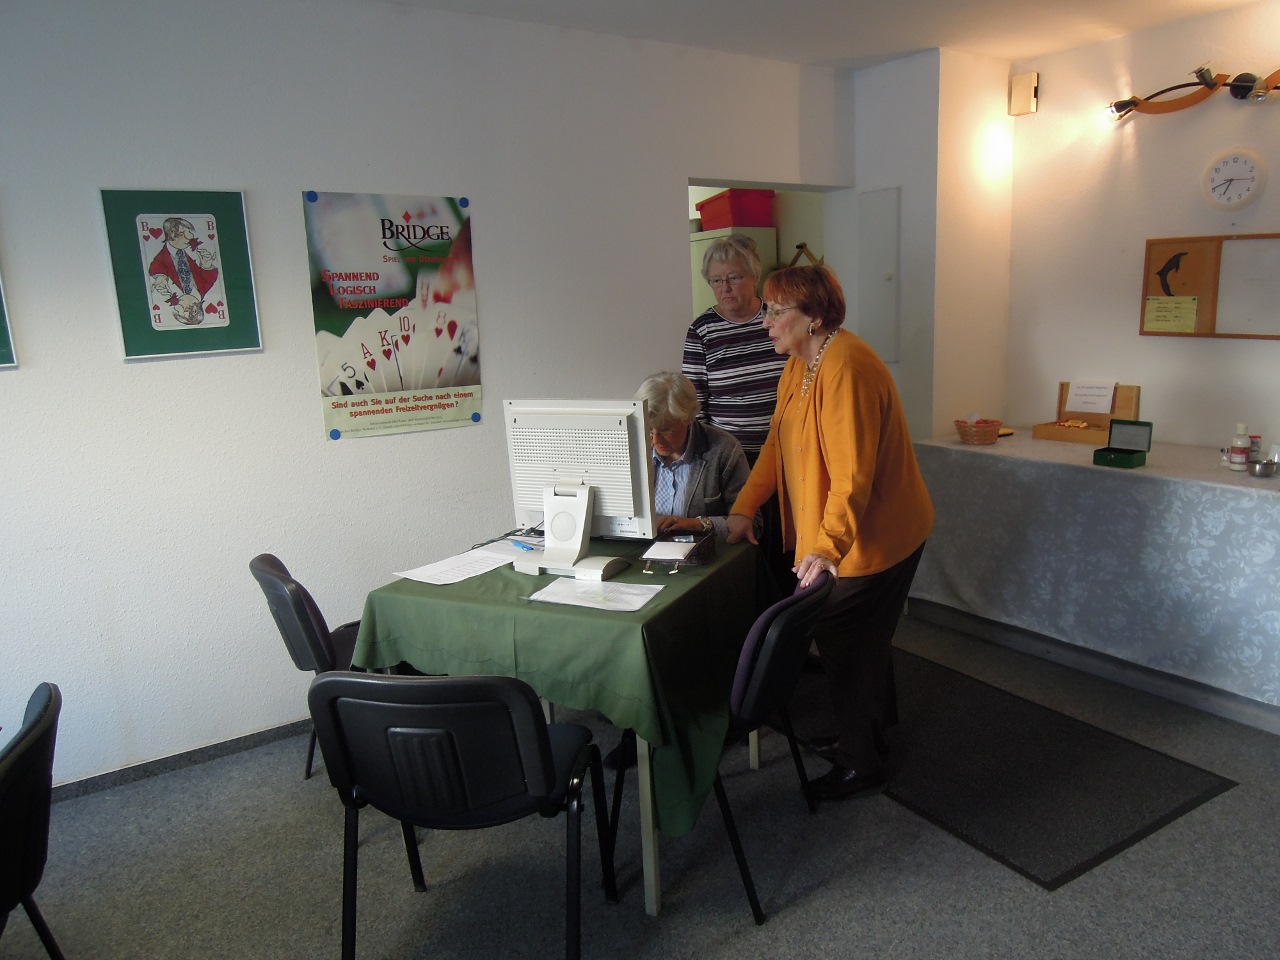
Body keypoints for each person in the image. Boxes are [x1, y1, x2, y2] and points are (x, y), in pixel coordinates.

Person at [724, 265, 934, 802]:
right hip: (851, 533)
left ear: (814, 317)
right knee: (863, 639)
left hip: (878, 536)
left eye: (776, 311)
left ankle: (862, 764)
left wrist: (825, 547)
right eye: (767, 310)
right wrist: (744, 508)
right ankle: (871, 735)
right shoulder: (799, 366)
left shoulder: (847, 367)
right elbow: (775, 448)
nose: (765, 322)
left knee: (844, 639)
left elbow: (852, 475)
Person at [682, 234, 790, 594]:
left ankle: (789, 608)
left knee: (786, 540)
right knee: (746, 542)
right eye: (716, 280)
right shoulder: (702, 330)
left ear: (754, 277)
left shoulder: (777, 319)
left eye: (733, 277)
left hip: (787, 454)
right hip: (733, 460)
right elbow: (695, 406)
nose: (724, 288)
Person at [634, 372, 760, 540]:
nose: (655, 440)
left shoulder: (723, 450)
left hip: (704, 550)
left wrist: (698, 525)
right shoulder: (634, 447)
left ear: (688, 418)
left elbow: (753, 524)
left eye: (665, 430)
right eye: (649, 430)